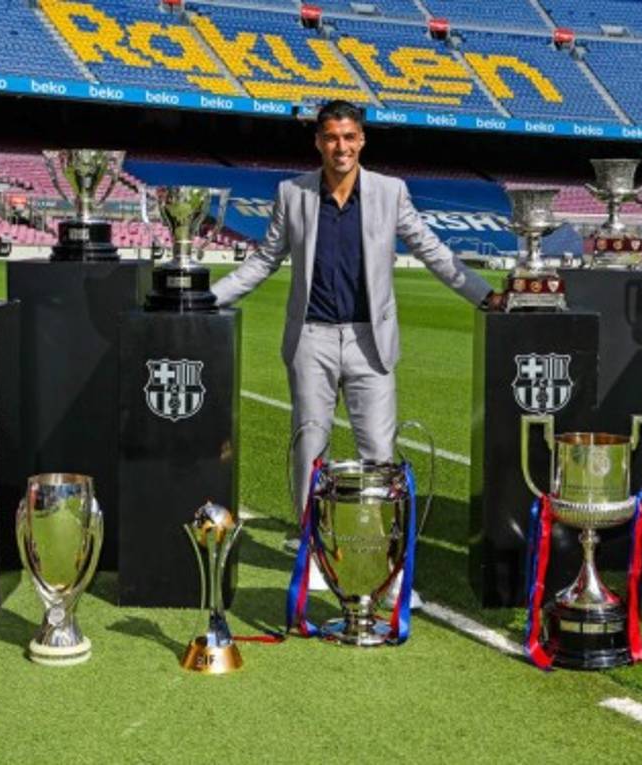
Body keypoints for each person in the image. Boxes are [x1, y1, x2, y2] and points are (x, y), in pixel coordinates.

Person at [210, 100, 495, 593]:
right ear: (318, 142)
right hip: (312, 338)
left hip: (370, 341)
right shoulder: (292, 193)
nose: (340, 147)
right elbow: (263, 261)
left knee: (379, 455)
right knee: (310, 451)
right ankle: (315, 552)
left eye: (349, 137)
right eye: (331, 138)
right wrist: (205, 297)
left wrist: (486, 296)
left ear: (361, 140)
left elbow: (431, 248)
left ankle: (381, 562)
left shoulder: (390, 192)